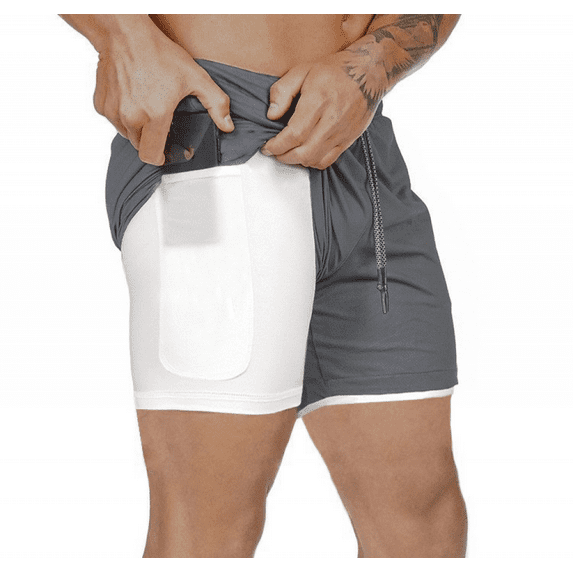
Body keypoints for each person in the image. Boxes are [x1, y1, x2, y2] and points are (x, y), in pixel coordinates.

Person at [59, 14, 467, 558]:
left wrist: (374, 64)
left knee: (423, 511)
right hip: (214, 137)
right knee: (210, 524)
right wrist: (122, 34)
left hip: (361, 150)